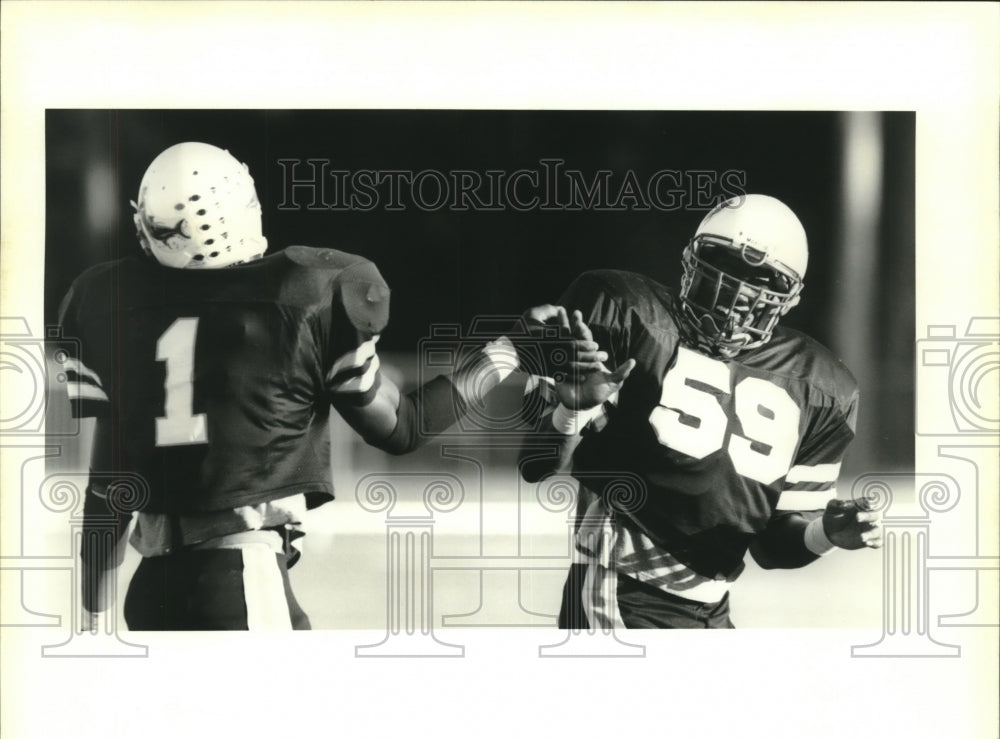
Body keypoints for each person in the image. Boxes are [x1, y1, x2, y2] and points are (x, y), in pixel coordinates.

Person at [58, 141, 602, 631]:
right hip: (240, 577)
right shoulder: (306, 296)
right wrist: (509, 350)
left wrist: (90, 624)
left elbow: (108, 491)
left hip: (149, 591)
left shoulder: (103, 300)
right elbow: (403, 428)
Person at [519, 194, 883, 629]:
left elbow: (773, 547)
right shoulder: (627, 312)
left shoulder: (821, 385)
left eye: (761, 279)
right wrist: (571, 411)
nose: (739, 291)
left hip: (711, 610)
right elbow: (536, 462)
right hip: (618, 590)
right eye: (725, 267)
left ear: (790, 298)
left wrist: (825, 535)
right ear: (692, 260)